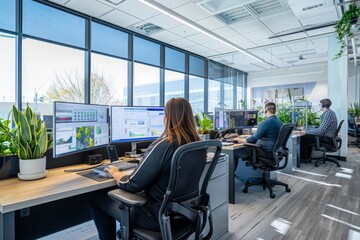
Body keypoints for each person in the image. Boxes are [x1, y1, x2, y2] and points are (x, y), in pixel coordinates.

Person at [89, 98, 200, 239]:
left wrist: (116, 172)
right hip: (185, 213)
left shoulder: (165, 145)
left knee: (96, 198)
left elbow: (131, 184)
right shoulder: (196, 144)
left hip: (155, 217)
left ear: (168, 117)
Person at [233, 102, 283, 169]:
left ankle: (231, 177)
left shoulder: (266, 122)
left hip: (265, 152)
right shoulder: (279, 122)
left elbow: (251, 140)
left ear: (265, 111)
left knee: (233, 151)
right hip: (274, 152)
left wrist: (237, 139)